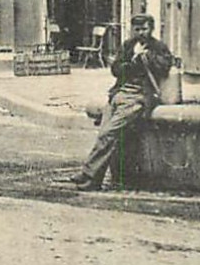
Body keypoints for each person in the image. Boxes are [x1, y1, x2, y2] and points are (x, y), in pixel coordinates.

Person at [66, 15, 175, 192]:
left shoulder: (158, 47)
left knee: (110, 133)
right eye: (137, 29)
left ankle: (89, 175)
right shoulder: (128, 45)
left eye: (144, 29)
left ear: (152, 29)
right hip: (119, 94)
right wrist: (131, 62)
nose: (141, 33)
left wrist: (147, 57)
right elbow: (116, 70)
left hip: (139, 97)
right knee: (104, 134)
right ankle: (91, 178)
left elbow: (165, 67)